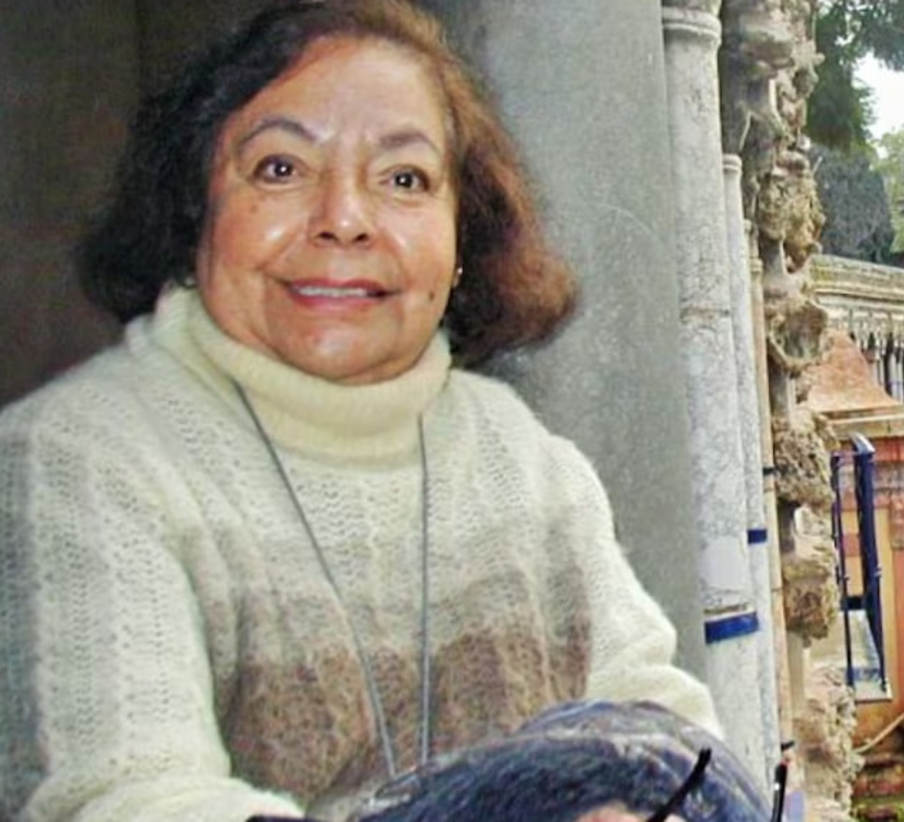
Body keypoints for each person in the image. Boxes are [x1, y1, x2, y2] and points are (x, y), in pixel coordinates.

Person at [0, 2, 726, 820]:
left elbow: (662, 731)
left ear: (462, 236)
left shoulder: (520, 458)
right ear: (193, 211)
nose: (344, 220)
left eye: (404, 179)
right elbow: (126, 797)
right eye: (280, 168)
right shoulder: (78, 460)